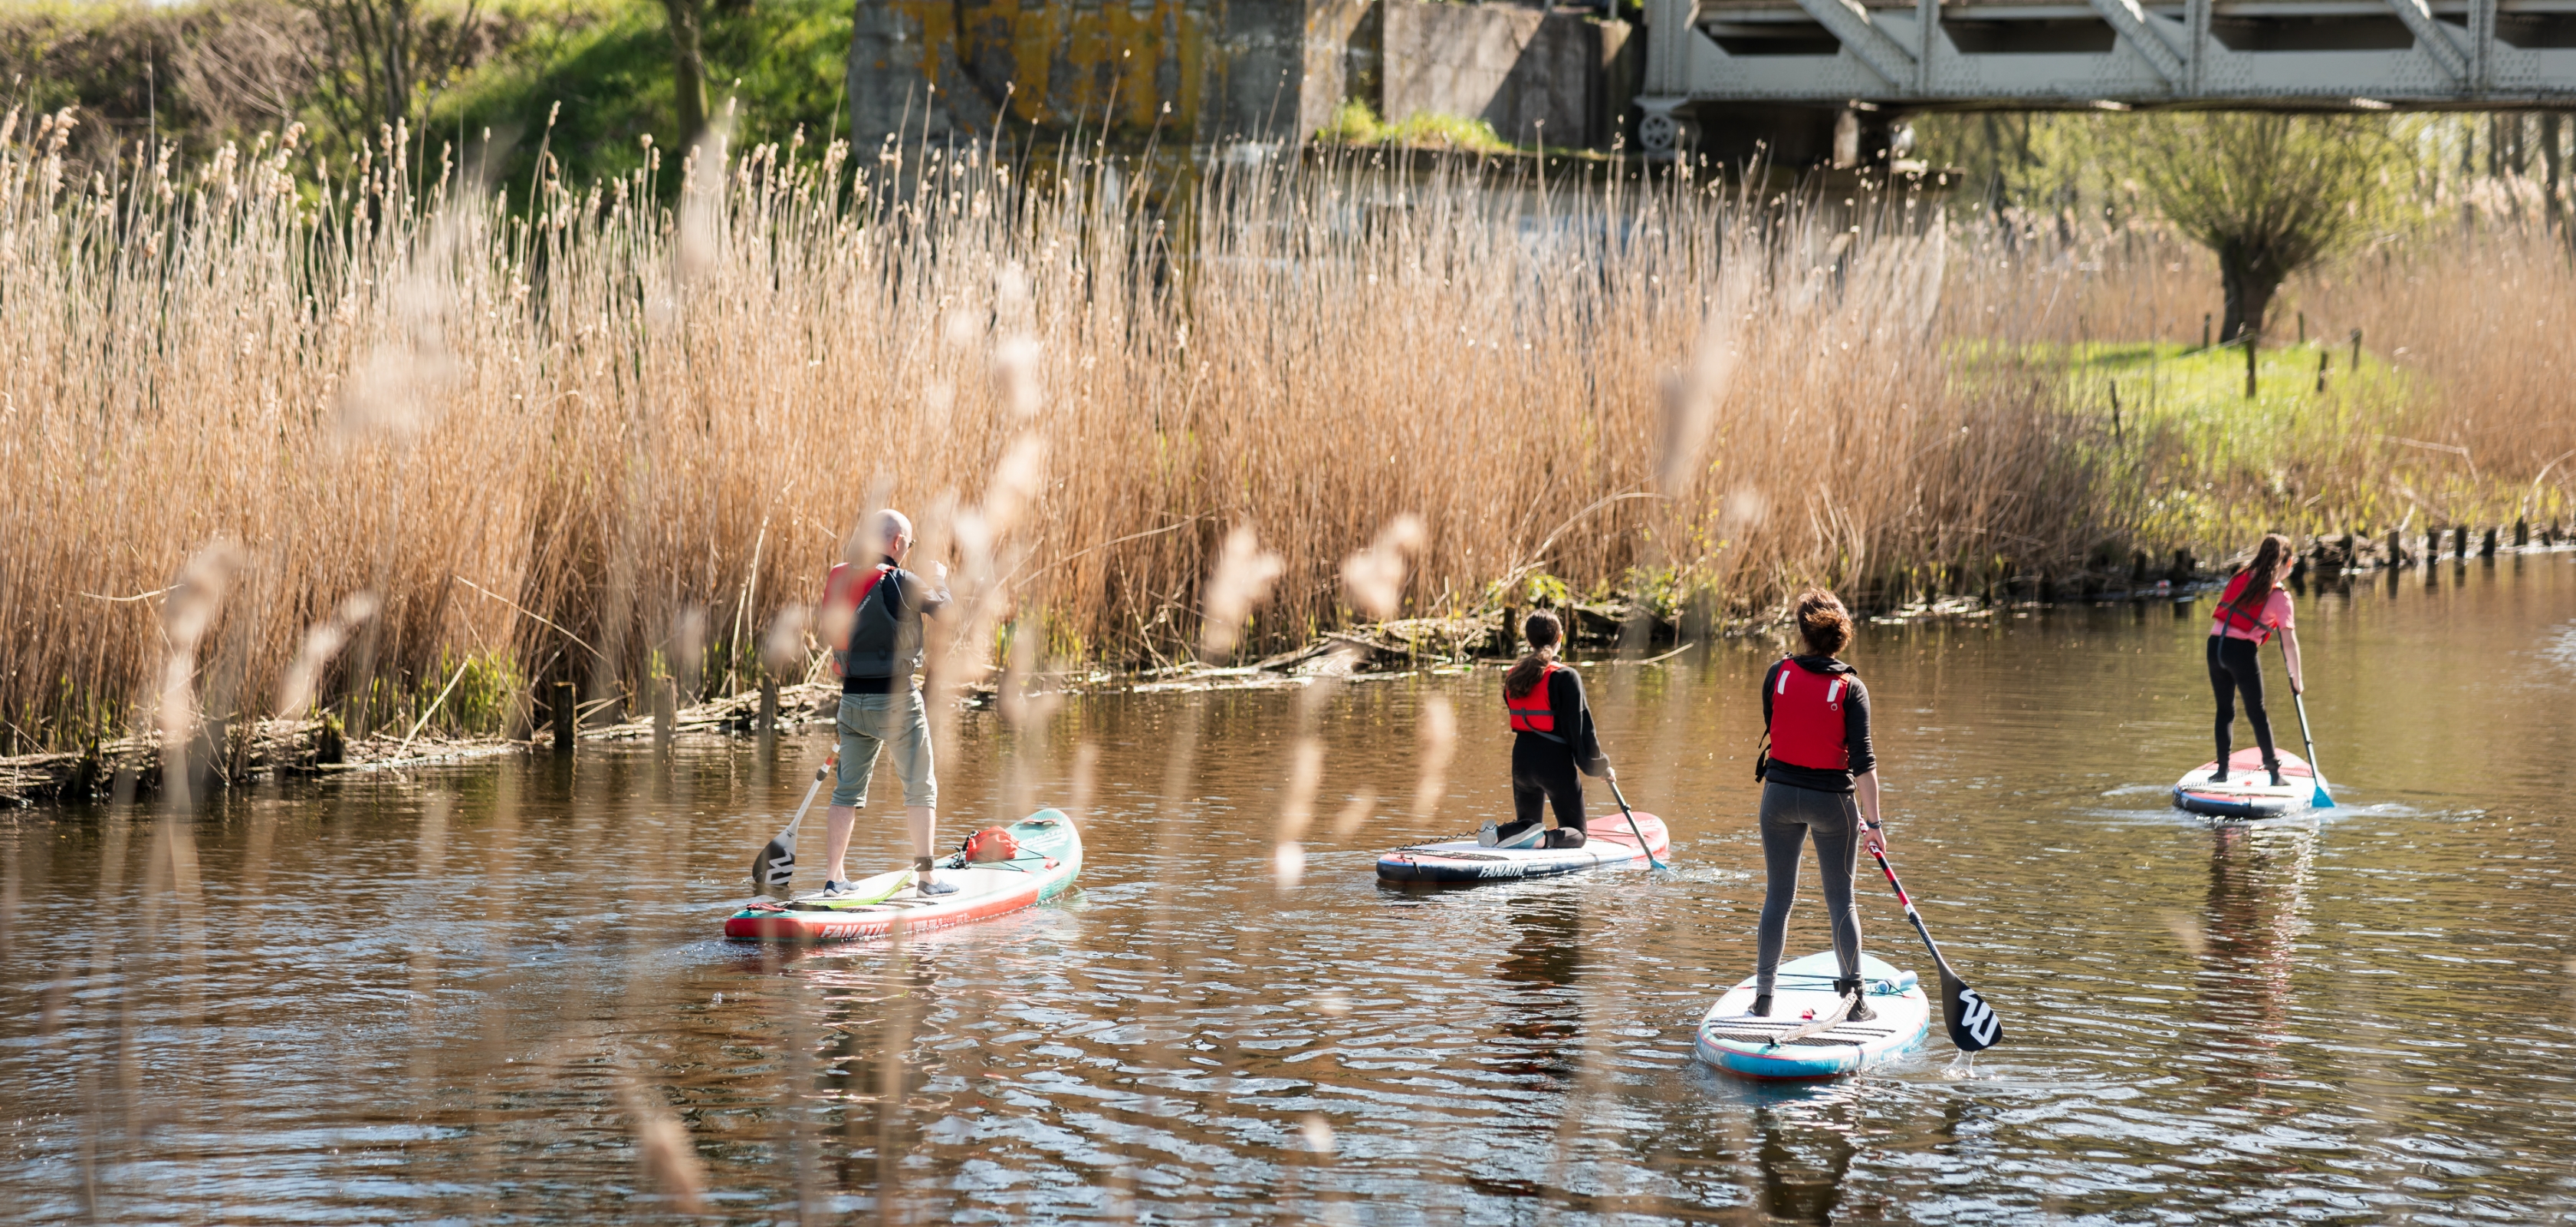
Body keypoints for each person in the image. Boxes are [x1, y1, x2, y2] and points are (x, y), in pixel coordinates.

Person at [1748, 590, 1882, 1020]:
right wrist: (1874, 823)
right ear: (1841, 637)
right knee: (1841, 900)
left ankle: (1764, 999)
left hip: (1780, 798)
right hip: (1833, 805)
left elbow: (1776, 723)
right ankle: (1856, 1002)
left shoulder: (1778, 673)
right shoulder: (1852, 689)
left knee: (1778, 897)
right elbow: (1864, 764)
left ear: (1803, 632)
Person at [816, 509, 955, 897]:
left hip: (851, 703)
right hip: (896, 703)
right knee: (920, 788)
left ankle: (833, 879)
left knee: (846, 792)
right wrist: (940, 579)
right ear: (897, 544)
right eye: (908, 545)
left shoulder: (842, 578)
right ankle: (927, 879)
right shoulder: (901, 581)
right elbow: (945, 611)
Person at [1485, 610, 1614, 850]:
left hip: (1521, 760)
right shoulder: (1566, 676)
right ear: (1560, 638)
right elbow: (1582, 731)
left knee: (1528, 823)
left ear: (1528, 640)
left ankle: (1498, 834)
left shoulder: (1513, 676)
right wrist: (1599, 766)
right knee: (1578, 833)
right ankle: (1544, 840)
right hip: (1554, 764)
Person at [2207, 533, 2305, 787]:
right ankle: (2274, 774)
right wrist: (2297, 679)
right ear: (2289, 562)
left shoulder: (2240, 576)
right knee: (2257, 712)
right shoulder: (2280, 596)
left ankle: (2222, 771)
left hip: (2214, 647)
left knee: (2225, 710)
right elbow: (2289, 644)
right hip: (2239, 652)